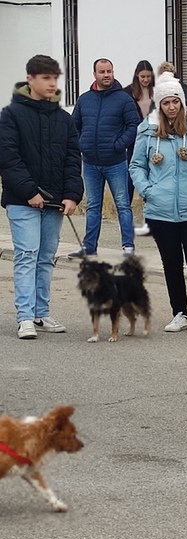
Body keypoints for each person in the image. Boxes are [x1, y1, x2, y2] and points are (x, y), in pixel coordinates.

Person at [0, 54, 83, 339]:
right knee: (26, 254)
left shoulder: (64, 118)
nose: (51, 83)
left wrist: (72, 195)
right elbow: (8, 158)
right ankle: (24, 316)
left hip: (54, 202)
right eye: (45, 77)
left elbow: (73, 159)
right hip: (23, 200)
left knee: (46, 257)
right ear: (31, 79)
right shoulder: (10, 115)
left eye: (54, 78)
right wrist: (29, 192)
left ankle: (41, 312)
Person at [129, 72, 187, 334]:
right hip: (160, 210)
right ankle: (179, 311)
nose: (171, 107)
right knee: (171, 263)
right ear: (159, 104)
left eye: (175, 102)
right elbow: (136, 165)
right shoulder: (147, 129)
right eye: (166, 103)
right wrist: (148, 190)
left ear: (181, 102)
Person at [69, 58, 142, 258]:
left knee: (122, 205)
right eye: (102, 71)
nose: (106, 75)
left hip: (116, 162)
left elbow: (134, 126)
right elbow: (73, 126)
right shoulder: (84, 99)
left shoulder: (124, 99)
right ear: (95, 75)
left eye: (109, 71)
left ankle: (128, 246)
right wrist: (81, 145)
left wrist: (118, 145)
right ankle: (89, 247)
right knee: (93, 206)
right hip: (90, 163)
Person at [127, 60, 155, 237]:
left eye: (148, 77)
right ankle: (127, 222)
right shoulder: (127, 92)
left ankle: (150, 221)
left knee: (151, 180)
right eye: (142, 76)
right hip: (134, 142)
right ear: (137, 75)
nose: (145, 80)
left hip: (153, 139)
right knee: (131, 180)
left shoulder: (157, 92)